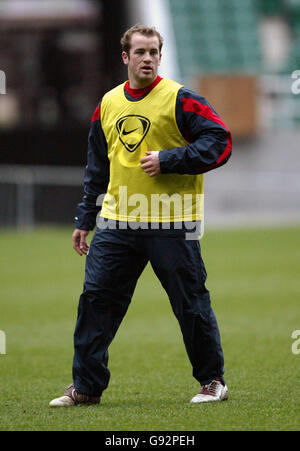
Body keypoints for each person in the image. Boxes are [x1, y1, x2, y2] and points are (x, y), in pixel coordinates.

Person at [49, 24, 232, 407]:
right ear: (125, 57)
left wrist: (170, 159)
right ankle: (86, 387)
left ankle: (213, 382)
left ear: (160, 57)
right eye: (140, 52)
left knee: (190, 304)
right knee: (96, 302)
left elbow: (221, 141)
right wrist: (85, 218)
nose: (147, 58)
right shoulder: (109, 103)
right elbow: (98, 167)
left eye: (154, 52)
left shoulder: (181, 99)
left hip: (172, 223)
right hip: (117, 224)